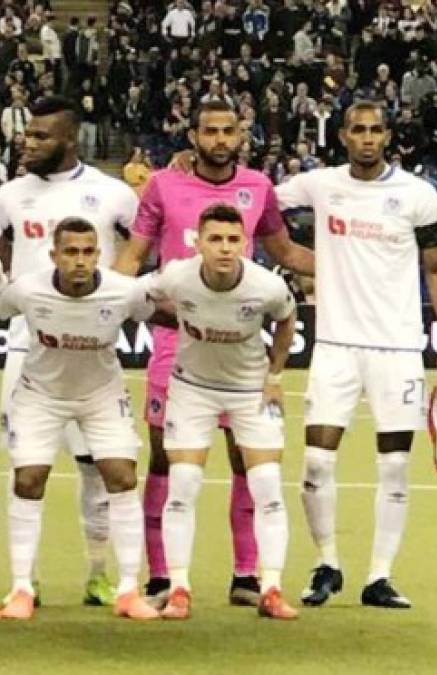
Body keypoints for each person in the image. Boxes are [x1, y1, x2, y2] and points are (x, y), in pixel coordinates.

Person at [113, 100, 314, 607]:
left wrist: (354, 266)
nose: (220, 140)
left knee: (247, 463)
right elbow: (135, 255)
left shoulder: (259, 188)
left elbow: (286, 253)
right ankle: (163, 578)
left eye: (229, 131)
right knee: (165, 460)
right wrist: (102, 304)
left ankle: (247, 576)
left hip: (240, 349)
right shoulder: (163, 183)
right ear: (194, 135)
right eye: (211, 131)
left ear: (241, 136)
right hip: (176, 349)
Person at [274, 100, 437, 609]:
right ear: (342, 136)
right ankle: (328, 562)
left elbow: (436, 267)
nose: (366, 138)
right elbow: (257, 201)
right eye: (357, 129)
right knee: (315, 460)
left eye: (375, 129)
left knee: (395, 466)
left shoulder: (417, 196)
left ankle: (380, 575)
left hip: (398, 348)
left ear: (387, 136)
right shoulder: (320, 184)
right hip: (335, 346)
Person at [0, 95, 141, 607]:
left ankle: (98, 573)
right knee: (27, 469)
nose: (29, 143)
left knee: (98, 469)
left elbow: (138, 247)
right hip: (27, 347)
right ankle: (27, 580)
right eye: (27, 133)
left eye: (41, 136)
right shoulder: (8, 196)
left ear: (68, 140)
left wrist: (114, 292)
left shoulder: (112, 193)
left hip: (92, 347)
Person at [0, 218, 158, 621]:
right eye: (70, 252)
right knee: (28, 479)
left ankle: (129, 589)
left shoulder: (124, 291)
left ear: (99, 255)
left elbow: (160, 314)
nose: (79, 261)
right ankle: (22, 588)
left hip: (101, 395)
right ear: (54, 256)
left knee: (121, 477)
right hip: (40, 396)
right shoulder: (29, 289)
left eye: (87, 252)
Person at [141, 204, 299, 621]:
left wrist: (275, 375)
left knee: (266, 485)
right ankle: (178, 589)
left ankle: (272, 588)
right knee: (185, 483)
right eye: (215, 239)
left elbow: (287, 319)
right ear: (199, 241)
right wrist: (181, 321)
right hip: (192, 390)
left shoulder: (265, 285)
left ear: (245, 243)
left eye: (233, 240)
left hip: (250, 391)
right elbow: (140, 299)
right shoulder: (177, 276)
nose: (225, 249)